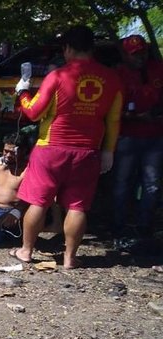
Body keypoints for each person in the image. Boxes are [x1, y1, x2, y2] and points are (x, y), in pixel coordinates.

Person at [10, 25, 123, 269]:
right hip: (88, 151)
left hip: (51, 149)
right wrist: (108, 151)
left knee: (39, 201)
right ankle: (70, 258)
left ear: (68, 48)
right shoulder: (112, 79)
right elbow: (113, 120)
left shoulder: (58, 76)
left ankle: (26, 251)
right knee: (78, 205)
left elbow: (33, 112)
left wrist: (22, 94)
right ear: (92, 48)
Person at [111, 34, 163, 249]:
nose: (139, 57)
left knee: (152, 185)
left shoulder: (158, 69)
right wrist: (135, 117)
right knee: (122, 184)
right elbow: (112, 110)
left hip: (156, 136)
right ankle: (118, 227)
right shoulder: (118, 74)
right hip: (127, 137)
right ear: (126, 55)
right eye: (134, 54)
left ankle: (144, 227)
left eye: (142, 52)